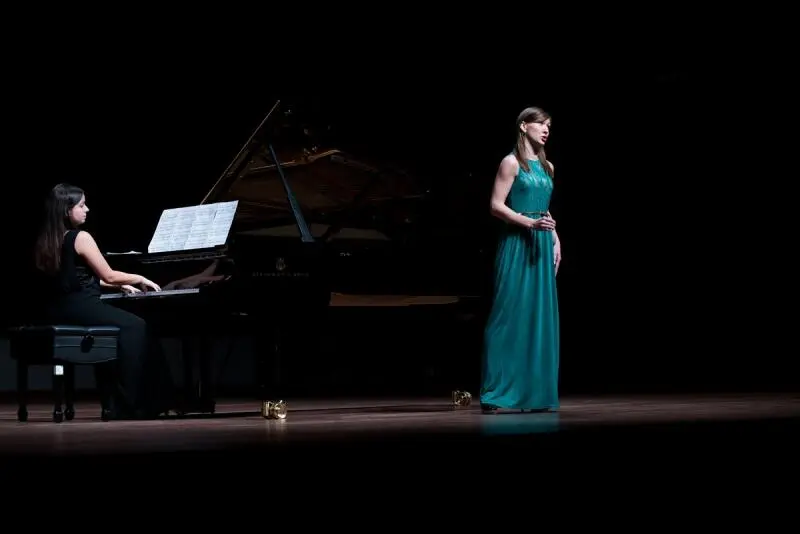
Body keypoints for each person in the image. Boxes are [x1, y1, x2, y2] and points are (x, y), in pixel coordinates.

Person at [33, 183, 179, 420]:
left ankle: (116, 401)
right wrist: (139, 277)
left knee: (125, 326)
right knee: (136, 327)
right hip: (82, 307)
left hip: (59, 309)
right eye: (82, 205)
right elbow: (108, 274)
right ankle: (132, 403)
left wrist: (119, 285)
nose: (87, 209)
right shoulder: (81, 237)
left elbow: (77, 277)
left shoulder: (49, 239)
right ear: (66, 210)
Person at [480, 106, 562, 414]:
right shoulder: (511, 162)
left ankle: (534, 393)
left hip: (541, 243)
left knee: (538, 319)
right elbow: (495, 205)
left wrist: (556, 238)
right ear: (524, 126)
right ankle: (496, 392)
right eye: (541, 124)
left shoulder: (548, 166)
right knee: (508, 316)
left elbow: (544, 207)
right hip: (517, 243)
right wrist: (530, 224)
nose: (546, 129)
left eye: (549, 125)